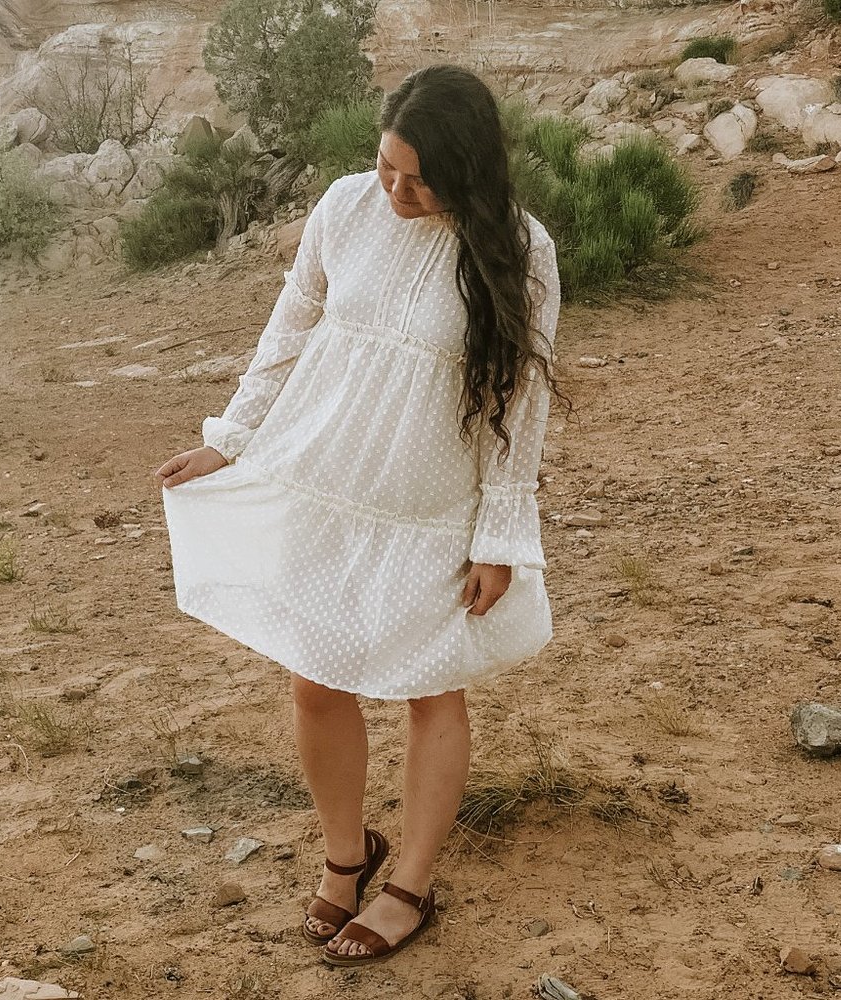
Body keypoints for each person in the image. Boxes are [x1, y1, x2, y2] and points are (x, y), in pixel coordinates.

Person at [155, 64, 563, 966]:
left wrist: (499, 534)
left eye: (420, 179)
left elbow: (517, 403)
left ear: (471, 170)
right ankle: (347, 856)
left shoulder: (520, 250)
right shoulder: (345, 206)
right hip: (326, 479)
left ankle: (410, 883)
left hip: (430, 506)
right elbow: (290, 325)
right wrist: (232, 437)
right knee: (315, 675)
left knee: (430, 684)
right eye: (387, 167)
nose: (397, 191)